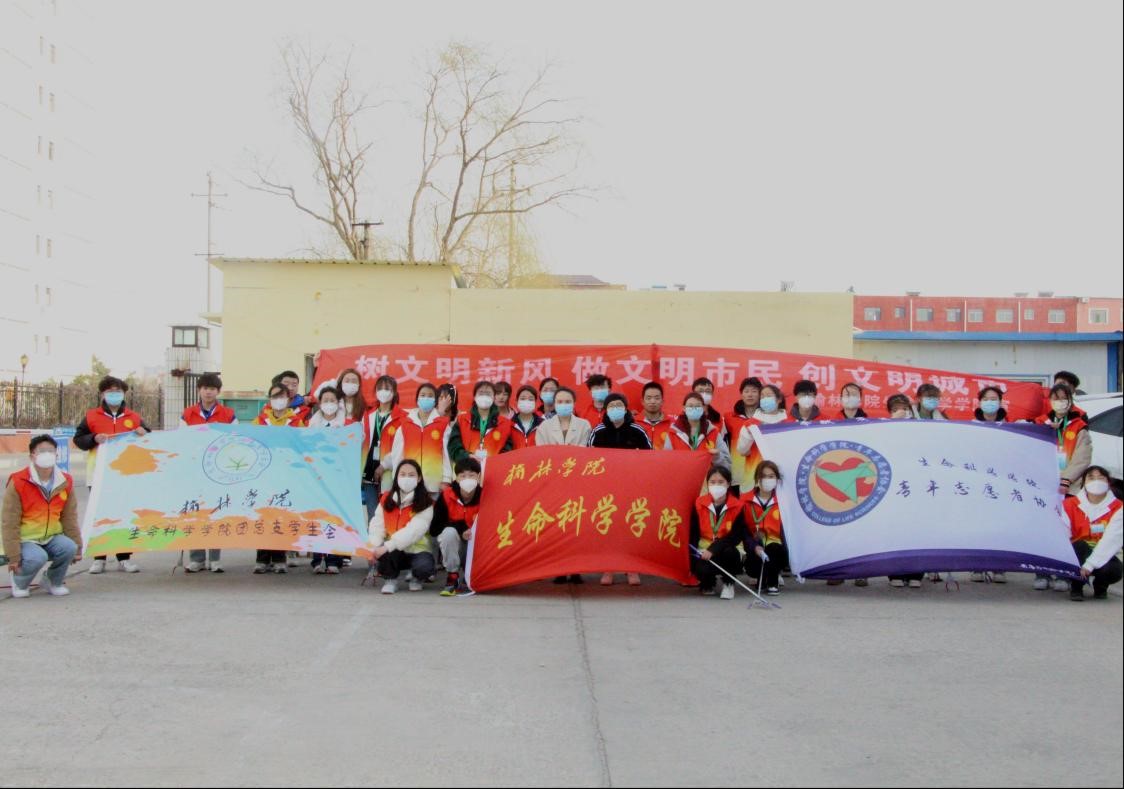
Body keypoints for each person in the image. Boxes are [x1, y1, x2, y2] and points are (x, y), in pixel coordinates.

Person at [73, 375, 151, 574]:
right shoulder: (92, 416)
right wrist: (93, 438)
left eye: (118, 391)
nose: (114, 394)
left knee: (123, 515)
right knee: (100, 515)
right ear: (102, 394)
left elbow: (149, 437)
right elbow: (79, 439)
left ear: (124, 394)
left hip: (125, 474)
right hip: (98, 474)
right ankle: (99, 558)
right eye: (110, 391)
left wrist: (144, 432)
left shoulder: (133, 417)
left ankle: (124, 558)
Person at [3, 435, 81, 598]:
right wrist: (13, 556)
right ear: (32, 456)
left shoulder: (65, 481)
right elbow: (9, 521)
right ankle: (19, 580)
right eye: (42, 451)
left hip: (51, 536)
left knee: (69, 547)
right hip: (26, 539)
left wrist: (78, 547)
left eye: (50, 451)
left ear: (56, 455)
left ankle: (52, 580)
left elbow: (69, 517)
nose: (47, 454)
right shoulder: (18, 481)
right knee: (38, 557)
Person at [1032, 382, 1092, 592]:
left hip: (1069, 488)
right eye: (1055, 398)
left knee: (1066, 531)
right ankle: (1042, 571)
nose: (1060, 402)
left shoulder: (1079, 426)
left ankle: (1063, 573)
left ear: (1070, 400)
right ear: (1049, 401)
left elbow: (1082, 457)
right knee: (1042, 529)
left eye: (1064, 398)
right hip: (1044, 487)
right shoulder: (1040, 423)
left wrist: (1066, 480)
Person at [589, 392, 651, 585]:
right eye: (611, 406)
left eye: (619, 405)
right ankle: (608, 569)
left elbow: (652, 458)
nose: (615, 409)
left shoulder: (637, 430)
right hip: (605, 488)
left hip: (632, 487)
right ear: (606, 410)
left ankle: (631, 568)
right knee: (608, 527)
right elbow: (588, 459)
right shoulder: (598, 431)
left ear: (625, 408)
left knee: (630, 526)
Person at [179, 372, 237, 573]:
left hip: (218, 470)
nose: (208, 392)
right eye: (205, 388)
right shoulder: (188, 414)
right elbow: (181, 440)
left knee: (216, 512)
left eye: (212, 389)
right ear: (199, 390)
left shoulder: (228, 414)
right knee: (195, 512)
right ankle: (197, 558)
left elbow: (235, 439)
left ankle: (215, 558)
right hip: (194, 470)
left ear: (218, 391)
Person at [251, 382, 306, 573]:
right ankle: (262, 558)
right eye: (275, 396)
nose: (278, 400)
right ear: (269, 399)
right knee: (263, 516)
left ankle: (280, 557)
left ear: (289, 400)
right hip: (264, 476)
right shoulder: (260, 421)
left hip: (286, 476)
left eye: (282, 396)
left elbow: (302, 446)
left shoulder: (296, 422)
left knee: (281, 516)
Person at [368, 460, 436, 594]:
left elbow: (414, 531)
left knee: (424, 567)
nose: (406, 478)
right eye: (403, 474)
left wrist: (387, 546)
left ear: (419, 478)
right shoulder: (386, 498)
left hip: (418, 550)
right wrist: (373, 546)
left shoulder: (426, 502)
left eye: (411, 475)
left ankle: (417, 578)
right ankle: (390, 580)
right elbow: (377, 524)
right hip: (394, 551)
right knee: (381, 553)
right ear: (396, 477)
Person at [306, 387, 351, 574]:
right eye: (325, 400)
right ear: (320, 403)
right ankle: (317, 559)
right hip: (317, 478)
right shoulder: (312, 424)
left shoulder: (347, 424)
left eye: (332, 400)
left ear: (338, 403)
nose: (329, 403)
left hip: (338, 478)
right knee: (317, 518)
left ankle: (334, 559)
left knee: (334, 519)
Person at [1062, 466, 1122, 601]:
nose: (1096, 481)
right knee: (1078, 546)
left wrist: (1089, 565)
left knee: (1113, 570)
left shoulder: (1119, 507)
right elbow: (1064, 534)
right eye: (1091, 478)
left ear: (1109, 483)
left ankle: (1101, 586)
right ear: (1084, 482)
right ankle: (1076, 586)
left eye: (1101, 478)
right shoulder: (1069, 504)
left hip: (1105, 553)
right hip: (1078, 552)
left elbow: (1111, 540)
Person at [688, 465, 746, 599]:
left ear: (728, 484)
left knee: (730, 552)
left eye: (721, 482)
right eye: (712, 482)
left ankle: (728, 583)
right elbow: (694, 531)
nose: (716, 486)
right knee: (701, 568)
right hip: (703, 550)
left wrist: (713, 549)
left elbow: (735, 536)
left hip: (727, 548)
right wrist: (692, 554)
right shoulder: (699, 503)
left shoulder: (737, 506)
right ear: (707, 484)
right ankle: (707, 583)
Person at [387, 382, 452, 500]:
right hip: (410, 482)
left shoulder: (443, 425)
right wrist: (397, 477)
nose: (426, 398)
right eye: (423, 395)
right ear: (417, 399)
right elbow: (397, 455)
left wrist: (446, 479)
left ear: (435, 401)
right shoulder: (405, 424)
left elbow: (446, 454)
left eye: (430, 395)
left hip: (434, 483)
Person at [430, 457, 482, 596]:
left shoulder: (485, 496)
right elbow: (435, 528)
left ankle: (471, 576)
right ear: (457, 478)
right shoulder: (447, 495)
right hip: (456, 546)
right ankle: (452, 576)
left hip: (476, 545)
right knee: (448, 532)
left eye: (471, 475)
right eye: (463, 475)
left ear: (478, 477)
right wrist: (460, 528)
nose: (467, 479)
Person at [362, 375, 407, 517]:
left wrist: (384, 465)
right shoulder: (368, 415)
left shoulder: (403, 417)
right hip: (368, 473)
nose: (383, 391)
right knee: (372, 515)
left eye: (387, 388)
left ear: (394, 392)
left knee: (388, 515)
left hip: (389, 473)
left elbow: (401, 447)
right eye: (380, 388)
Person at [733, 384, 791, 493]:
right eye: (762, 396)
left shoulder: (790, 422)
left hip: (783, 475)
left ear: (779, 399)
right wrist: (749, 436)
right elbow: (742, 450)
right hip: (754, 473)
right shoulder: (751, 423)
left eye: (769, 395)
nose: (765, 399)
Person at [446, 380, 515, 469]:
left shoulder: (504, 423)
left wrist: (495, 461)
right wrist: (467, 456)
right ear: (475, 397)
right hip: (467, 470)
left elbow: (508, 449)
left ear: (494, 397)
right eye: (481, 393)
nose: (484, 396)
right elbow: (454, 445)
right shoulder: (462, 420)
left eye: (488, 393)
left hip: (493, 469)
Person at [743, 461, 786, 596]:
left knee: (774, 548)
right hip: (755, 549)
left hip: (777, 549)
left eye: (771, 476)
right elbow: (743, 531)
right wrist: (754, 546)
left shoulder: (783, 501)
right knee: (755, 562)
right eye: (763, 476)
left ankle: (772, 582)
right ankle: (762, 578)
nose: (767, 479)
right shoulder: (745, 501)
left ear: (777, 479)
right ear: (757, 478)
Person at [666, 392, 731, 470]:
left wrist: (717, 457)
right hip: (681, 476)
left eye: (697, 406)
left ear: (703, 408)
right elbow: (666, 463)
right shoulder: (673, 433)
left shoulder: (713, 432)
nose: (694, 409)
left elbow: (727, 465)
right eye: (690, 406)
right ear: (684, 408)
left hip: (706, 477)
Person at [724, 377, 762, 495]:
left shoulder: (766, 417)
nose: (750, 394)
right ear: (741, 394)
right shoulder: (729, 418)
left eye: (754, 391)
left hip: (760, 471)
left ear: (760, 394)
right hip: (737, 474)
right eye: (746, 391)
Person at [637, 381, 674, 452]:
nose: (653, 401)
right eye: (648, 398)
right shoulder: (633, 423)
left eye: (657, 398)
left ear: (662, 401)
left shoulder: (672, 425)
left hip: (664, 459)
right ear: (642, 401)